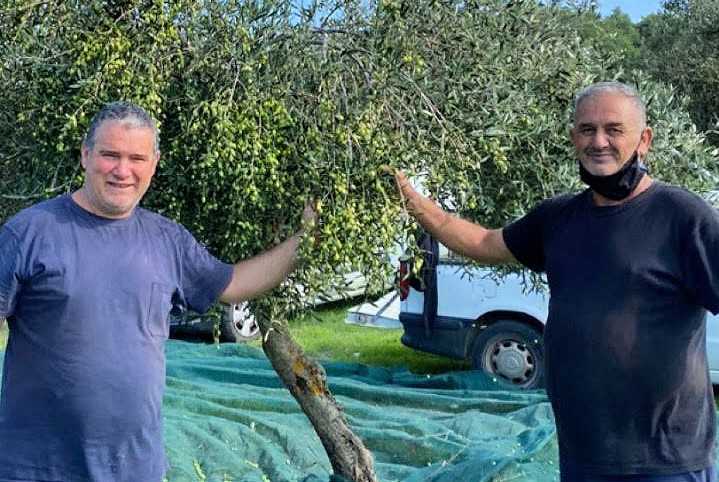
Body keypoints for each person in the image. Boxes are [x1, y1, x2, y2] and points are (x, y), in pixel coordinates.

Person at [395, 82, 719, 482]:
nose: (598, 141)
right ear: (573, 139)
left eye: (614, 129)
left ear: (644, 140)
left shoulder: (684, 217)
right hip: (584, 454)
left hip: (667, 460)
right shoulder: (557, 218)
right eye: (587, 130)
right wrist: (417, 204)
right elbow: (483, 243)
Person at [0, 101, 314, 482]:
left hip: (136, 468)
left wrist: (305, 240)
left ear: (154, 163)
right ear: (85, 155)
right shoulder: (28, 234)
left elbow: (233, 284)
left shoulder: (167, 240)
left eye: (136, 158)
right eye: (110, 155)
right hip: (35, 469)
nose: (122, 170)